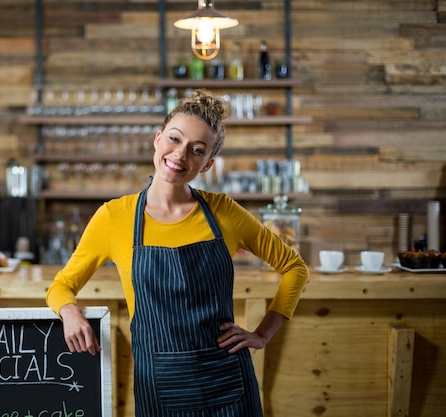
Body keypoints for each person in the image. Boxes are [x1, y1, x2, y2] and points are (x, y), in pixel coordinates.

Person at [46, 89, 309, 417]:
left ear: (207, 163)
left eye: (196, 150)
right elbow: (60, 287)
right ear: (157, 140)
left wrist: (262, 335)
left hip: (227, 378)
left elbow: (295, 268)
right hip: (159, 383)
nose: (181, 154)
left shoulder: (224, 212)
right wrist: (70, 313)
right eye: (174, 139)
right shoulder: (115, 217)